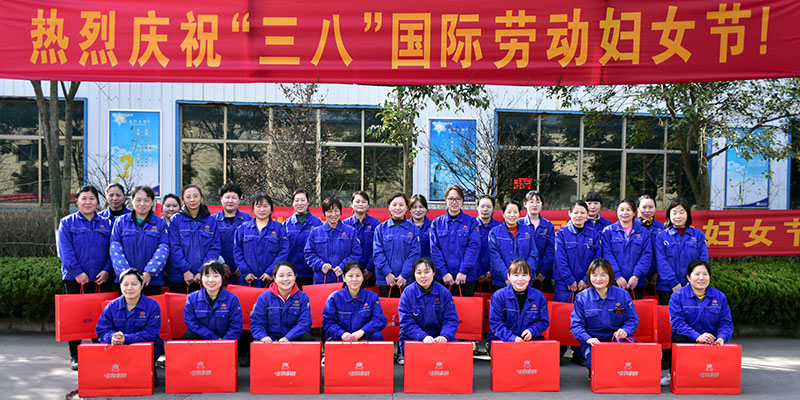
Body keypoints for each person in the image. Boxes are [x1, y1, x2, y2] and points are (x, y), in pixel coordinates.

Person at [58, 185, 114, 370]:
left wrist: (107, 270)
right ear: (77, 201)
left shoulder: (107, 224)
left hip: (101, 279)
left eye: (92, 198)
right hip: (75, 279)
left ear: (97, 201)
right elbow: (65, 251)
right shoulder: (67, 223)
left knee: (101, 316)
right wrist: (77, 273)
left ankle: (99, 352)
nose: (88, 202)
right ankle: (76, 355)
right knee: (76, 317)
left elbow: (112, 250)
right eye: (84, 198)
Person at [661, 259, 733, 385]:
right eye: (697, 274)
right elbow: (678, 324)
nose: (701, 278)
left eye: (705, 274)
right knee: (679, 338)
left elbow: (726, 323)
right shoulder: (678, 296)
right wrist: (698, 337)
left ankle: (710, 375)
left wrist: (722, 337)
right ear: (689, 277)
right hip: (688, 337)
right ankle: (674, 373)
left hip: (711, 339)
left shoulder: (719, 296)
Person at [570, 258, 639, 375]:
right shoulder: (582, 297)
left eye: (603, 275)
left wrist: (625, 330)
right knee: (597, 365)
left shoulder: (622, 295)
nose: (598, 279)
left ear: (610, 276)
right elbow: (576, 325)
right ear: (589, 277)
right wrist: (588, 338)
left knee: (626, 361)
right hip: (593, 340)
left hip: (617, 338)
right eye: (594, 275)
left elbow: (632, 319)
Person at [397, 257, 459, 365]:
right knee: (419, 366)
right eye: (419, 272)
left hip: (439, 335)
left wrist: (444, 336)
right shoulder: (407, 293)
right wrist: (423, 337)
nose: (423, 276)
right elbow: (406, 323)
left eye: (427, 272)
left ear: (433, 272)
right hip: (415, 336)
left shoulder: (444, 293)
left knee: (455, 359)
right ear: (414, 274)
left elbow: (451, 319)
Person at [110, 185, 169, 296]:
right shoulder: (121, 222)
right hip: (126, 282)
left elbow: (163, 250)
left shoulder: (160, 224)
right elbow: (115, 250)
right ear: (132, 200)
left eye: (146, 200)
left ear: (152, 202)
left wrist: (149, 272)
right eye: (138, 200)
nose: (142, 204)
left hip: (152, 281)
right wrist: (128, 275)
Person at [96, 268, 164, 364]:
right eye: (125, 284)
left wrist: (127, 339)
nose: (129, 288)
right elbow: (102, 329)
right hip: (117, 346)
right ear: (120, 286)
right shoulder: (112, 306)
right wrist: (112, 337)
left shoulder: (152, 305)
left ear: (141, 285)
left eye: (134, 284)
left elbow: (151, 333)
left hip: (144, 346)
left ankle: (148, 370)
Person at [655, 197, 709, 305]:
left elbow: (703, 261)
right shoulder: (662, 236)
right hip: (667, 288)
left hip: (693, 287)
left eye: (681, 212)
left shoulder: (698, 235)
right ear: (669, 215)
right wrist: (673, 282)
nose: (678, 216)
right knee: (668, 315)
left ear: (687, 214)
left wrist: (693, 282)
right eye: (674, 213)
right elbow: (661, 261)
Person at [167, 184, 221, 293]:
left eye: (195, 196)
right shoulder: (175, 220)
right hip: (180, 277)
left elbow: (214, 248)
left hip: (204, 277)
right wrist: (185, 270)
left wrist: (202, 271)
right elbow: (174, 247)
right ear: (183, 200)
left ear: (201, 198)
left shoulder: (211, 221)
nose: (192, 200)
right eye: (188, 197)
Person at [430, 185, 481, 297]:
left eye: (458, 199)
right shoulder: (437, 223)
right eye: (451, 199)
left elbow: (473, 248)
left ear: (462, 201)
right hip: (442, 278)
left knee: (465, 308)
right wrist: (444, 273)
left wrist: (463, 271)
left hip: (466, 278)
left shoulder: (471, 222)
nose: (454, 202)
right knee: (441, 307)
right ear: (445, 200)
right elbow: (434, 250)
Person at [487, 260, 549, 348]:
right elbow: (496, 323)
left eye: (524, 275)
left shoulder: (538, 296)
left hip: (529, 338)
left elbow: (543, 321)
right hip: (503, 338)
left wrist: (532, 331)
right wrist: (511, 338)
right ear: (509, 276)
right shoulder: (498, 296)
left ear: (530, 277)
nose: (520, 279)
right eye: (516, 275)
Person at [233, 192, 289, 288]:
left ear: (271, 208)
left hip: (271, 281)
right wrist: (246, 272)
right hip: (248, 281)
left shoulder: (279, 228)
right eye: (258, 206)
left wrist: (271, 272)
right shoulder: (243, 228)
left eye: (265, 206)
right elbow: (237, 251)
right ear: (253, 208)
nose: (262, 210)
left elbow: (283, 252)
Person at [600, 198, 653, 299]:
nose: (625, 213)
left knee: (636, 308)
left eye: (628, 209)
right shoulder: (608, 231)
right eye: (621, 209)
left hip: (637, 282)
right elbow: (607, 255)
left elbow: (646, 255)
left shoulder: (643, 232)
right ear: (617, 212)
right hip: (614, 282)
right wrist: (617, 276)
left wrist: (636, 276)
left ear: (634, 213)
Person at [322, 261, 388, 341]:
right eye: (350, 276)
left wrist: (362, 331)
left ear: (362, 277)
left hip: (363, 336)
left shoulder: (372, 297)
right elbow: (328, 322)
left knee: (377, 336)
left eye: (358, 275)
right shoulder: (334, 298)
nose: (354, 279)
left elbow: (379, 319)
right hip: (341, 338)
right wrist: (342, 334)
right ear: (344, 278)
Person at [249, 262, 314, 342]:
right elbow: (257, 323)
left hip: (293, 337)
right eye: (281, 275)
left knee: (307, 338)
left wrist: (288, 337)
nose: (285, 279)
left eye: (289, 275)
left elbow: (305, 322)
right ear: (274, 278)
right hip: (270, 339)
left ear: (295, 277)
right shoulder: (264, 297)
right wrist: (263, 336)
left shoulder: (303, 297)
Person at [304, 197, 361, 284]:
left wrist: (343, 266)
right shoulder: (315, 232)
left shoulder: (350, 231)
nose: (333, 214)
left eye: (336, 211)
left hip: (344, 279)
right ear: (324, 213)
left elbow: (356, 253)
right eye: (329, 211)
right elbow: (309, 253)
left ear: (340, 212)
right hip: (321, 279)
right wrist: (321, 265)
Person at [372, 192, 420, 297]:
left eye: (401, 205)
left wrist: (404, 275)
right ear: (389, 207)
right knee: (387, 307)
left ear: (406, 208)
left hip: (406, 281)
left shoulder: (413, 229)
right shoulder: (380, 229)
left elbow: (415, 254)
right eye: (394, 205)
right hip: (385, 280)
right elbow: (377, 253)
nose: (398, 208)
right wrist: (387, 273)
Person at [182, 261, 243, 340]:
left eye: (215, 276)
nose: (211, 280)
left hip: (225, 342)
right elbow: (191, 324)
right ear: (201, 278)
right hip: (202, 340)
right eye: (207, 276)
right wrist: (214, 339)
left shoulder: (232, 299)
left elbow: (236, 326)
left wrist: (223, 342)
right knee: (188, 336)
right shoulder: (192, 299)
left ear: (222, 277)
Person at [554, 200, 601, 303]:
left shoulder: (594, 234)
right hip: (564, 285)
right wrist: (569, 279)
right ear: (569, 213)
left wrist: (586, 280)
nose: (579, 216)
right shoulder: (562, 233)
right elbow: (560, 259)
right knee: (562, 311)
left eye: (582, 213)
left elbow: (596, 259)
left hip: (587, 284)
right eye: (576, 213)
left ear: (587, 214)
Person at [489, 200, 539, 290]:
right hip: (502, 282)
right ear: (503, 214)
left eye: (515, 212)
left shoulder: (528, 231)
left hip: (524, 282)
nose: (512, 215)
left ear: (519, 214)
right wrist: (507, 277)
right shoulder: (494, 233)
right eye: (508, 212)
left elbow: (533, 254)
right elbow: (495, 258)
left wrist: (524, 275)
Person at [213, 183, 253, 285]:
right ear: (221, 199)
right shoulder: (212, 221)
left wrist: (243, 266)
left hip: (244, 273)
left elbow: (253, 247)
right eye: (227, 197)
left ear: (239, 200)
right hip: (218, 272)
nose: (230, 201)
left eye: (234, 198)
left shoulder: (248, 220)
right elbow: (208, 246)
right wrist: (220, 264)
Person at [283, 188, 323, 287]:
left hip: (312, 273)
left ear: (308, 202)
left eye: (303, 200)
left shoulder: (317, 223)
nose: (300, 203)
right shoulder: (286, 224)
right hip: (290, 274)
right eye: (296, 200)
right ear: (292, 203)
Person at [520, 190, 555, 293]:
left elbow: (551, 250)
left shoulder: (548, 225)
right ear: (525, 204)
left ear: (542, 204)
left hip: (544, 276)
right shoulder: (519, 224)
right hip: (522, 275)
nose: (535, 205)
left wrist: (543, 272)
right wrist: (528, 271)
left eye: (538, 201)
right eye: (531, 201)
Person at [342, 191, 380, 282]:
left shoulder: (375, 224)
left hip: (370, 273)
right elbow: (343, 249)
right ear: (351, 204)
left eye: (363, 202)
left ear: (368, 205)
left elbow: (377, 248)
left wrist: (370, 268)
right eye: (357, 201)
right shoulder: (345, 224)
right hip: (349, 273)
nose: (360, 204)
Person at [637, 194, 665, 295]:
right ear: (638, 209)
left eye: (651, 207)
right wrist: (639, 275)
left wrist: (657, 273)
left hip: (657, 277)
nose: (647, 210)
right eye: (644, 207)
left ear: (655, 208)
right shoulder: (632, 227)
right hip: (636, 278)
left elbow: (664, 253)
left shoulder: (661, 228)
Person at [476, 195, 502, 290]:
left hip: (496, 276)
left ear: (493, 209)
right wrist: (478, 272)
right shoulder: (471, 226)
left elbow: (502, 252)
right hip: (473, 275)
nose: (485, 209)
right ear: (477, 207)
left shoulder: (500, 227)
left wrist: (492, 271)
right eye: (482, 206)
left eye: (489, 206)